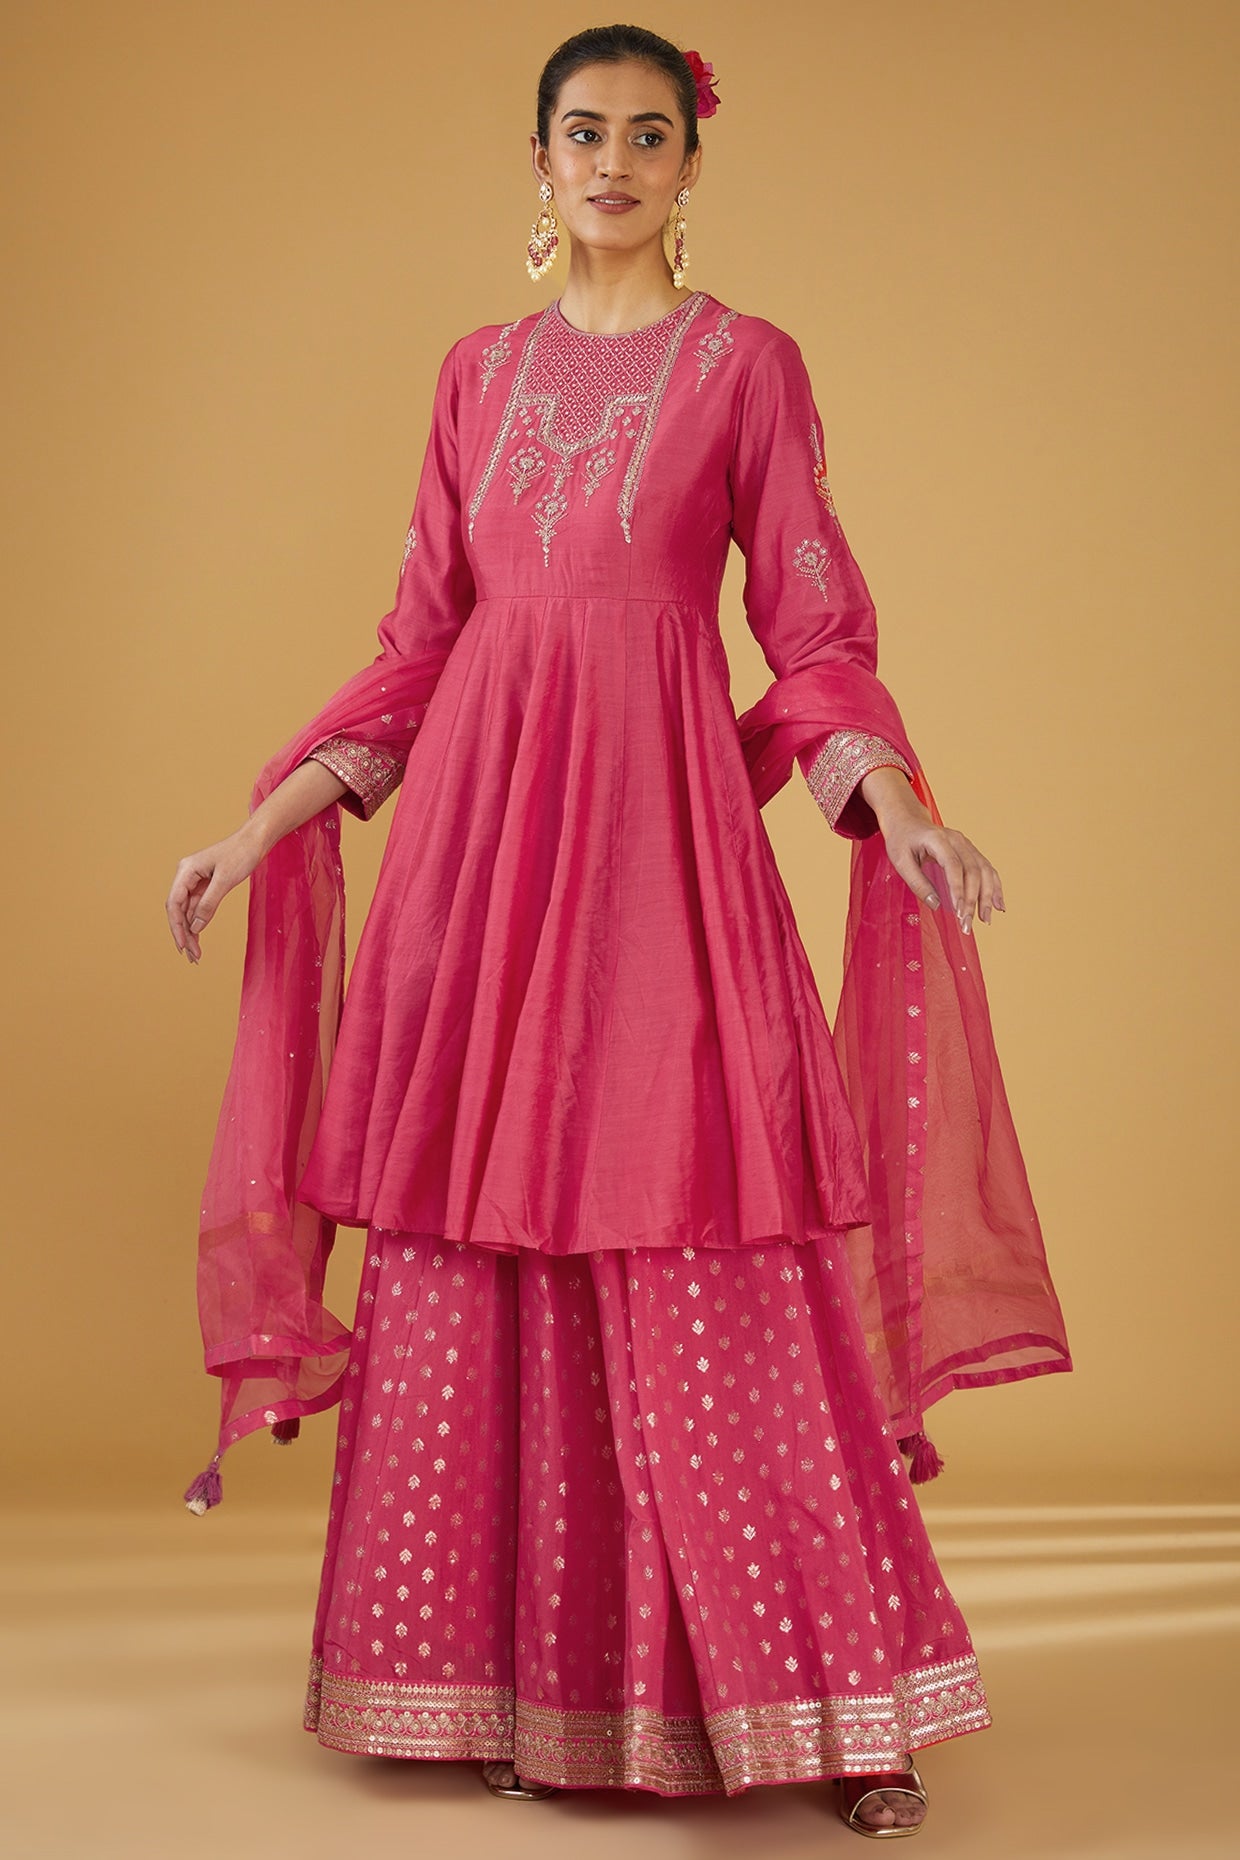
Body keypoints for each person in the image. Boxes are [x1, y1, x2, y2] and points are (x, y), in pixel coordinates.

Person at [167, 24, 1071, 1839]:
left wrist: (897, 805)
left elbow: (814, 631)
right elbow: (422, 641)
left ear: (689, 166)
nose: (612, 162)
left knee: (711, 1240)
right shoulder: (475, 375)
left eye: (648, 136)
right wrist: (263, 820)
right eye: (582, 132)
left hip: (661, 857)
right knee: (478, 1252)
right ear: (538, 159)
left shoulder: (748, 369)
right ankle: (525, 1688)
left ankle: (832, 1709)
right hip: (480, 871)